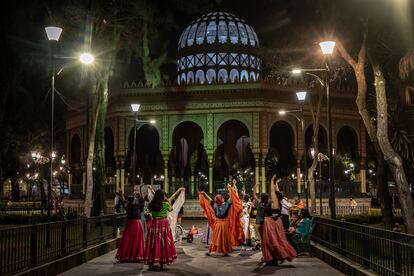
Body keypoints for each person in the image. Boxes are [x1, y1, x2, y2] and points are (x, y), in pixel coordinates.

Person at [258, 175, 297, 266]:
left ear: (275, 196)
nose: (272, 195)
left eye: (274, 195)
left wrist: (272, 180)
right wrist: (276, 183)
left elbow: (273, 191)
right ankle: (273, 258)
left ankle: (273, 258)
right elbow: (277, 191)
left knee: (271, 242)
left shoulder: (274, 202)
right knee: (275, 241)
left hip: (271, 224)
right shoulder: (279, 201)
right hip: (275, 223)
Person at [199, 183, 244, 256]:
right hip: (225, 224)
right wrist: (231, 189)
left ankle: (210, 251)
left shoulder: (215, 205)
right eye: (222, 197)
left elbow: (210, 200)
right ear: (221, 199)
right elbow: (234, 199)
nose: (223, 198)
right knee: (224, 238)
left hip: (217, 224)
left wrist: (204, 194)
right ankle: (225, 252)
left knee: (215, 238)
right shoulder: (227, 204)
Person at [144, 189, 177, 270]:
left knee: (154, 241)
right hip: (163, 224)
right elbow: (171, 209)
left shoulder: (151, 204)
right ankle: (163, 260)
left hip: (154, 223)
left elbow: (148, 212)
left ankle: (153, 260)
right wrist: (167, 200)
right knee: (164, 241)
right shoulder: (165, 204)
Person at [115, 194, 145, 262]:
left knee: (127, 239)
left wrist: (123, 198)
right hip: (137, 223)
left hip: (129, 223)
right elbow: (142, 204)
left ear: (128, 201)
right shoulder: (137, 206)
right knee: (137, 239)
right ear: (134, 200)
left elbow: (123, 203)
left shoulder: (127, 206)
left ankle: (126, 255)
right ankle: (136, 255)